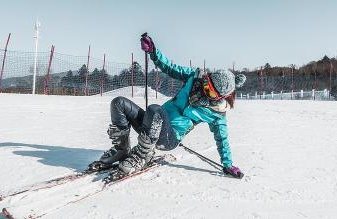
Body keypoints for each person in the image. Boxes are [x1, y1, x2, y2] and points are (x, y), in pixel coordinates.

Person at [96, 33, 246, 178]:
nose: (205, 90)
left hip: (168, 138)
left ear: (220, 96)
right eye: (206, 84)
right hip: (153, 124)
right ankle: (121, 150)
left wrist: (228, 164)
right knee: (119, 103)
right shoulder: (195, 77)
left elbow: (222, 140)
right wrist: (154, 52)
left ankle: (143, 155)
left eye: (211, 92)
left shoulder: (217, 113)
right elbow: (170, 68)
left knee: (155, 110)